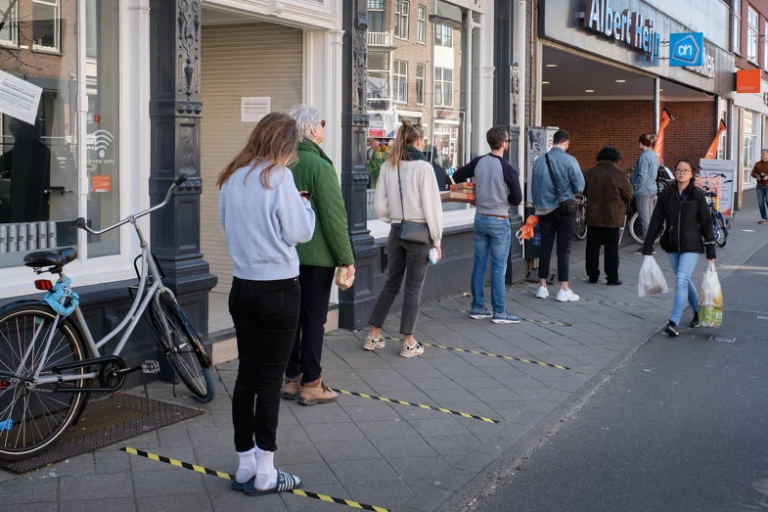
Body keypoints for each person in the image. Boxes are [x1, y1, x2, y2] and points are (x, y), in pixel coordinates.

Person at [218, 112, 314, 495]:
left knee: (246, 376)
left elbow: (229, 225)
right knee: (271, 380)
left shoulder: (232, 176)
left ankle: (244, 464)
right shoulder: (279, 177)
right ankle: (267, 471)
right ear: (286, 145)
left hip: (242, 286)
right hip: (278, 288)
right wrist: (305, 205)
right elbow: (299, 232)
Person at [282, 106, 355, 406]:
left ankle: (292, 379)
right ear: (313, 130)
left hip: (287, 255)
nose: (323, 128)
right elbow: (334, 218)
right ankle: (312, 383)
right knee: (314, 320)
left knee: (293, 320)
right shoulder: (319, 167)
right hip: (317, 257)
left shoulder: (283, 162)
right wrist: (346, 258)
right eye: (322, 124)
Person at [363, 120, 443, 357]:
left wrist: (394, 218)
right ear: (419, 140)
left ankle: (373, 335)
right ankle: (409, 342)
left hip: (396, 231)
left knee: (391, 284)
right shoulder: (423, 167)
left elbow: (380, 205)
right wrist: (437, 240)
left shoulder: (389, 166)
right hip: (419, 233)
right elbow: (432, 208)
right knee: (413, 288)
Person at [452, 126, 523, 323]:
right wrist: (501, 196)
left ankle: (477, 307)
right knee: (499, 268)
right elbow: (517, 198)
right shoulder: (507, 168)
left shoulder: (478, 162)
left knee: (479, 265)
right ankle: (499, 312)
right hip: (499, 220)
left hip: (480, 218)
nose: (507, 144)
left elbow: (457, 177)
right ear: (503, 144)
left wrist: (475, 194)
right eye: (507, 141)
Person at [643, 158, 716, 337]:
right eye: (678, 170)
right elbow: (657, 219)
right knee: (684, 279)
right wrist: (648, 242)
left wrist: (711, 250)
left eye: (685, 170)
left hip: (691, 245)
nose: (681, 172)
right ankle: (698, 310)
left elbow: (706, 223)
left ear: (692, 174)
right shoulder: (668, 194)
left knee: (681, 280)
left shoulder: (697, 195)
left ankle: (674, 321)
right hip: (672, 245)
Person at [531, 129, 584, 302]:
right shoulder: (570, 160)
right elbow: (579, 187)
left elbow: (533, 188)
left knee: (545, 247)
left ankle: (542, 286)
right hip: (563, 210)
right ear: (566, 143)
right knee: (564, 248)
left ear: (553, 142)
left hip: (543, 210)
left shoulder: (539, 161)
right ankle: (564, 289)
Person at [583, 147, 633, 286]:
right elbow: (629, 194)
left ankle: (593, 276)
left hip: (593, 216)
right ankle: (612, 277)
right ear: (615, 159)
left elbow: (583, 191)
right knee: (611, 248)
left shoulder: (589, 173)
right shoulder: (620, 175)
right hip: (612, 217)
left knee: (592, 247)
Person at [632, 133, 660, 253]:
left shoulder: (644, 157)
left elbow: (642, 177)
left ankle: (648, 247)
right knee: (648, 218)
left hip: (643, 191)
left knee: (644, 219)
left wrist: (633, 187)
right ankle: (650, 244)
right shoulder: (654, 155)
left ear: (642, 143)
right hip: (652, 189)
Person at [750, 149, 768, 224]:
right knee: (760, 203)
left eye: (763, 154)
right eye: (761, 154)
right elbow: (752, 173)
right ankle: (764, 218)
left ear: (767, 155)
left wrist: (767, 177)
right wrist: (757, 176)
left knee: (767, 201)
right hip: (760, 186)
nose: (761, 155)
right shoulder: (757, 164)